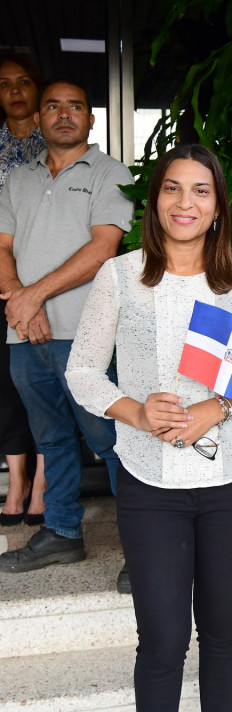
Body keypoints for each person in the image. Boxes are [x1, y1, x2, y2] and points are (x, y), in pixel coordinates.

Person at [65, 144, 232, 711]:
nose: (186, 202)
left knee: (225, 632)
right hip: (150, 485)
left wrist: (218, 407)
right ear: (154, 200)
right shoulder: (120, 276)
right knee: (162, 640)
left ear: (218, 207)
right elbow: (81, 369)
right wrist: (133, 410)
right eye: (172, 188)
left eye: (201, 190)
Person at [0, 76, 133, 572]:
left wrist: (31, 296)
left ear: (90, 119)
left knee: (110, 439)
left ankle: (139, 545)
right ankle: (60, 531)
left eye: (75, 106)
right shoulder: (18, 179)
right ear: (37, 120)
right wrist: (22, 304)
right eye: (52, 106)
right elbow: (2, 246)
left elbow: (103, 249)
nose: (63, 114)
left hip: (85, 332)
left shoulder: (108, 172)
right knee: (49, 436)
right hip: (23, 335)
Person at [0, 54, 47, 526]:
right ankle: (15, 482)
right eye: (4, 83)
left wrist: (31, 296)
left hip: (48, 287)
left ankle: (42, 485)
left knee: (44, 388)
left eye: (24, 82)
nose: (14, 90)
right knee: (7, 388)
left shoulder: (53, 143)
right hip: (3, 284)